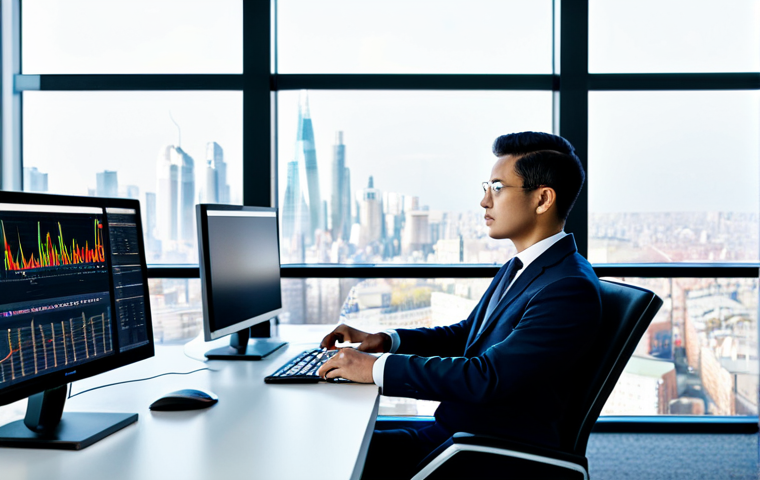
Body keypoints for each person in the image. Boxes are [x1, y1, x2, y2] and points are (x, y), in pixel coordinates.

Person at [317, 131, 602, 480]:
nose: (484, 201)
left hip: (481, 453)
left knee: (323, 460)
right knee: (327, 443)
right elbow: (467, 335)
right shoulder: (524, 266)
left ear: (543, 199)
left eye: (497, 188)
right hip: (452, 436)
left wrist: (376, 369)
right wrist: (388, 340)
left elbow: (487, 377)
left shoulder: (567, 288)